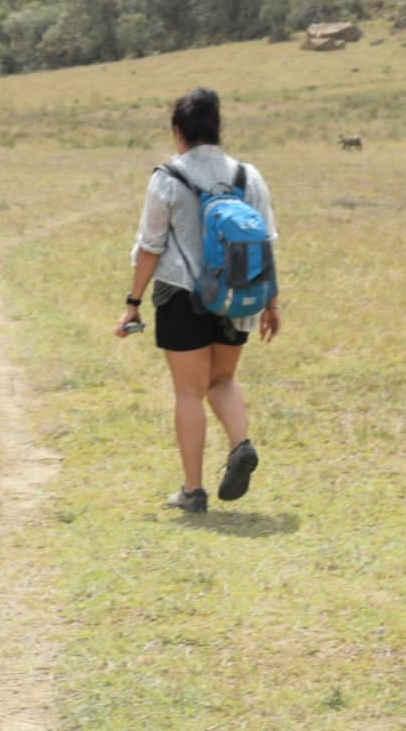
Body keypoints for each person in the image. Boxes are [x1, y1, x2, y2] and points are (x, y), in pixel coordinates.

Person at [116, 88, 279, 513]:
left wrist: (133, 301)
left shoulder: (168, 178)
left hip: (182, 295)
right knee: (221, 381)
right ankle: (240, 443)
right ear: (218, 128)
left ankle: (193, 491)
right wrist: (272, 303)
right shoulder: (248, 176)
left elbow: (150, 245)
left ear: (178, 132)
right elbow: (267, 242)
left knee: (189, 392)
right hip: (239, 297)